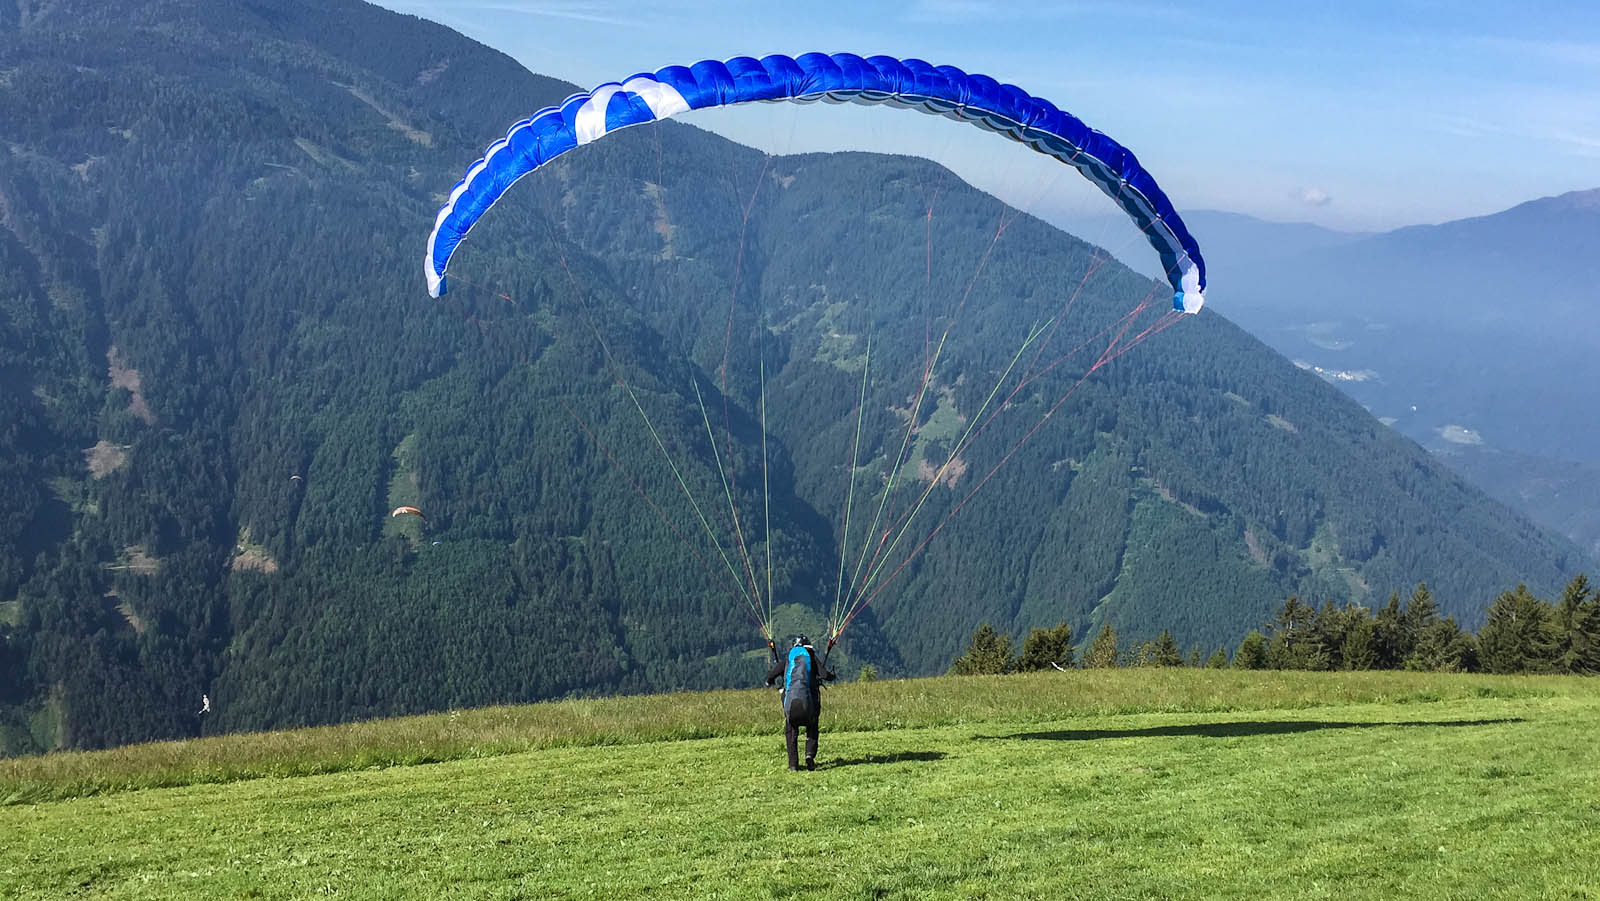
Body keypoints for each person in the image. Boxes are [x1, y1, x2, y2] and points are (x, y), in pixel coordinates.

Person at [764, 636, 836, 771]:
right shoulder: (811, 658)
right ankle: (809, 754)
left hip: (791, 704)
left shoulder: (789, 660)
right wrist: (832, 675)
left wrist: (769, 681)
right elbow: (824, 675)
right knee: (812, 726)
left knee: (791, 729)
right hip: (809, 704)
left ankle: (793, 764)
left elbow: (772, 674)